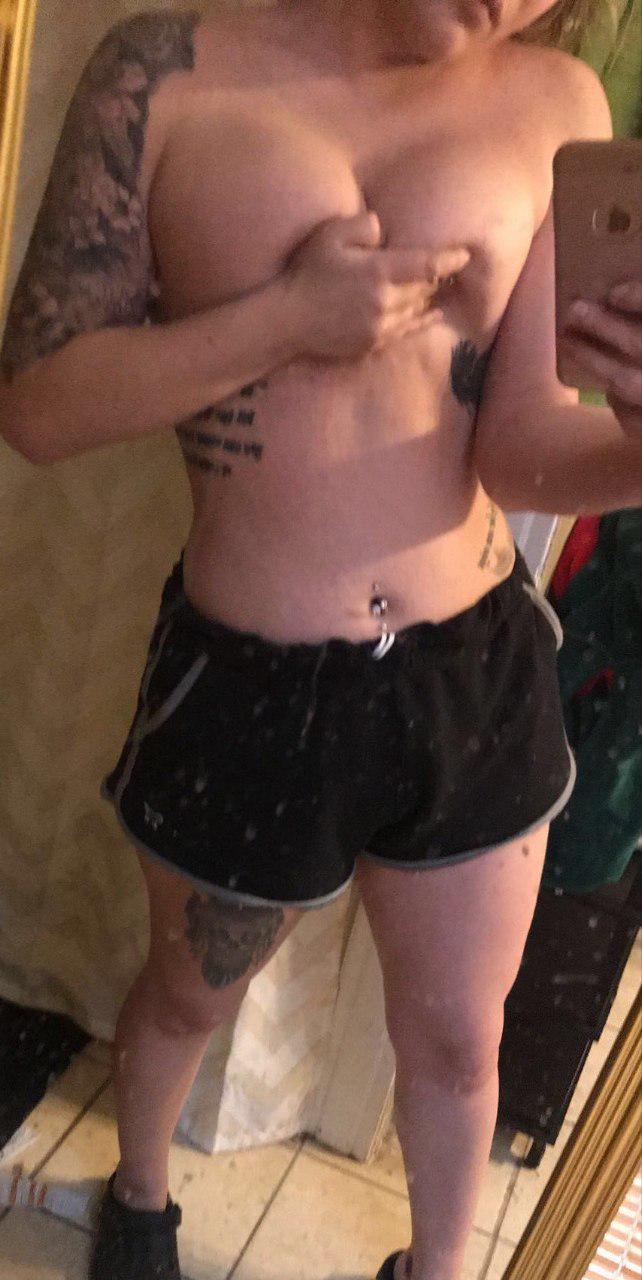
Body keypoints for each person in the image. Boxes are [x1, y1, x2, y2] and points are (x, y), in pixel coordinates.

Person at [1, 1, 641, 1277]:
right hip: (249, 680)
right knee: (188, 994)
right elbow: (41, 405)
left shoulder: (559, 102)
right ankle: (140, 1194)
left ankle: (437, 1267)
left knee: (459, 1038)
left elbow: (519, 445)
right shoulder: (164, 70)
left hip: (472, 673)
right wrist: (288, 318)